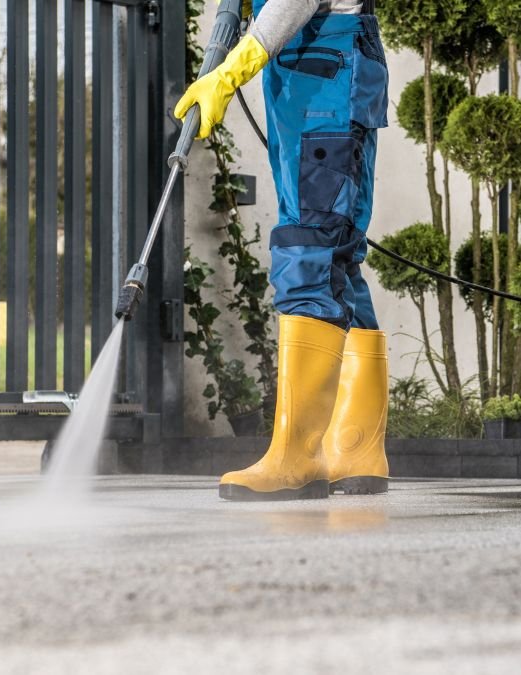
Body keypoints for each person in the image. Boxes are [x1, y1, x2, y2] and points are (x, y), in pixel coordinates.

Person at [174, 0, 390, 501]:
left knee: (309, 249)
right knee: (338, 260)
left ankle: (298, 455)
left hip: (324, 80)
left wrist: (232, 69)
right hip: (319, 75)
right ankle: (357, 450)